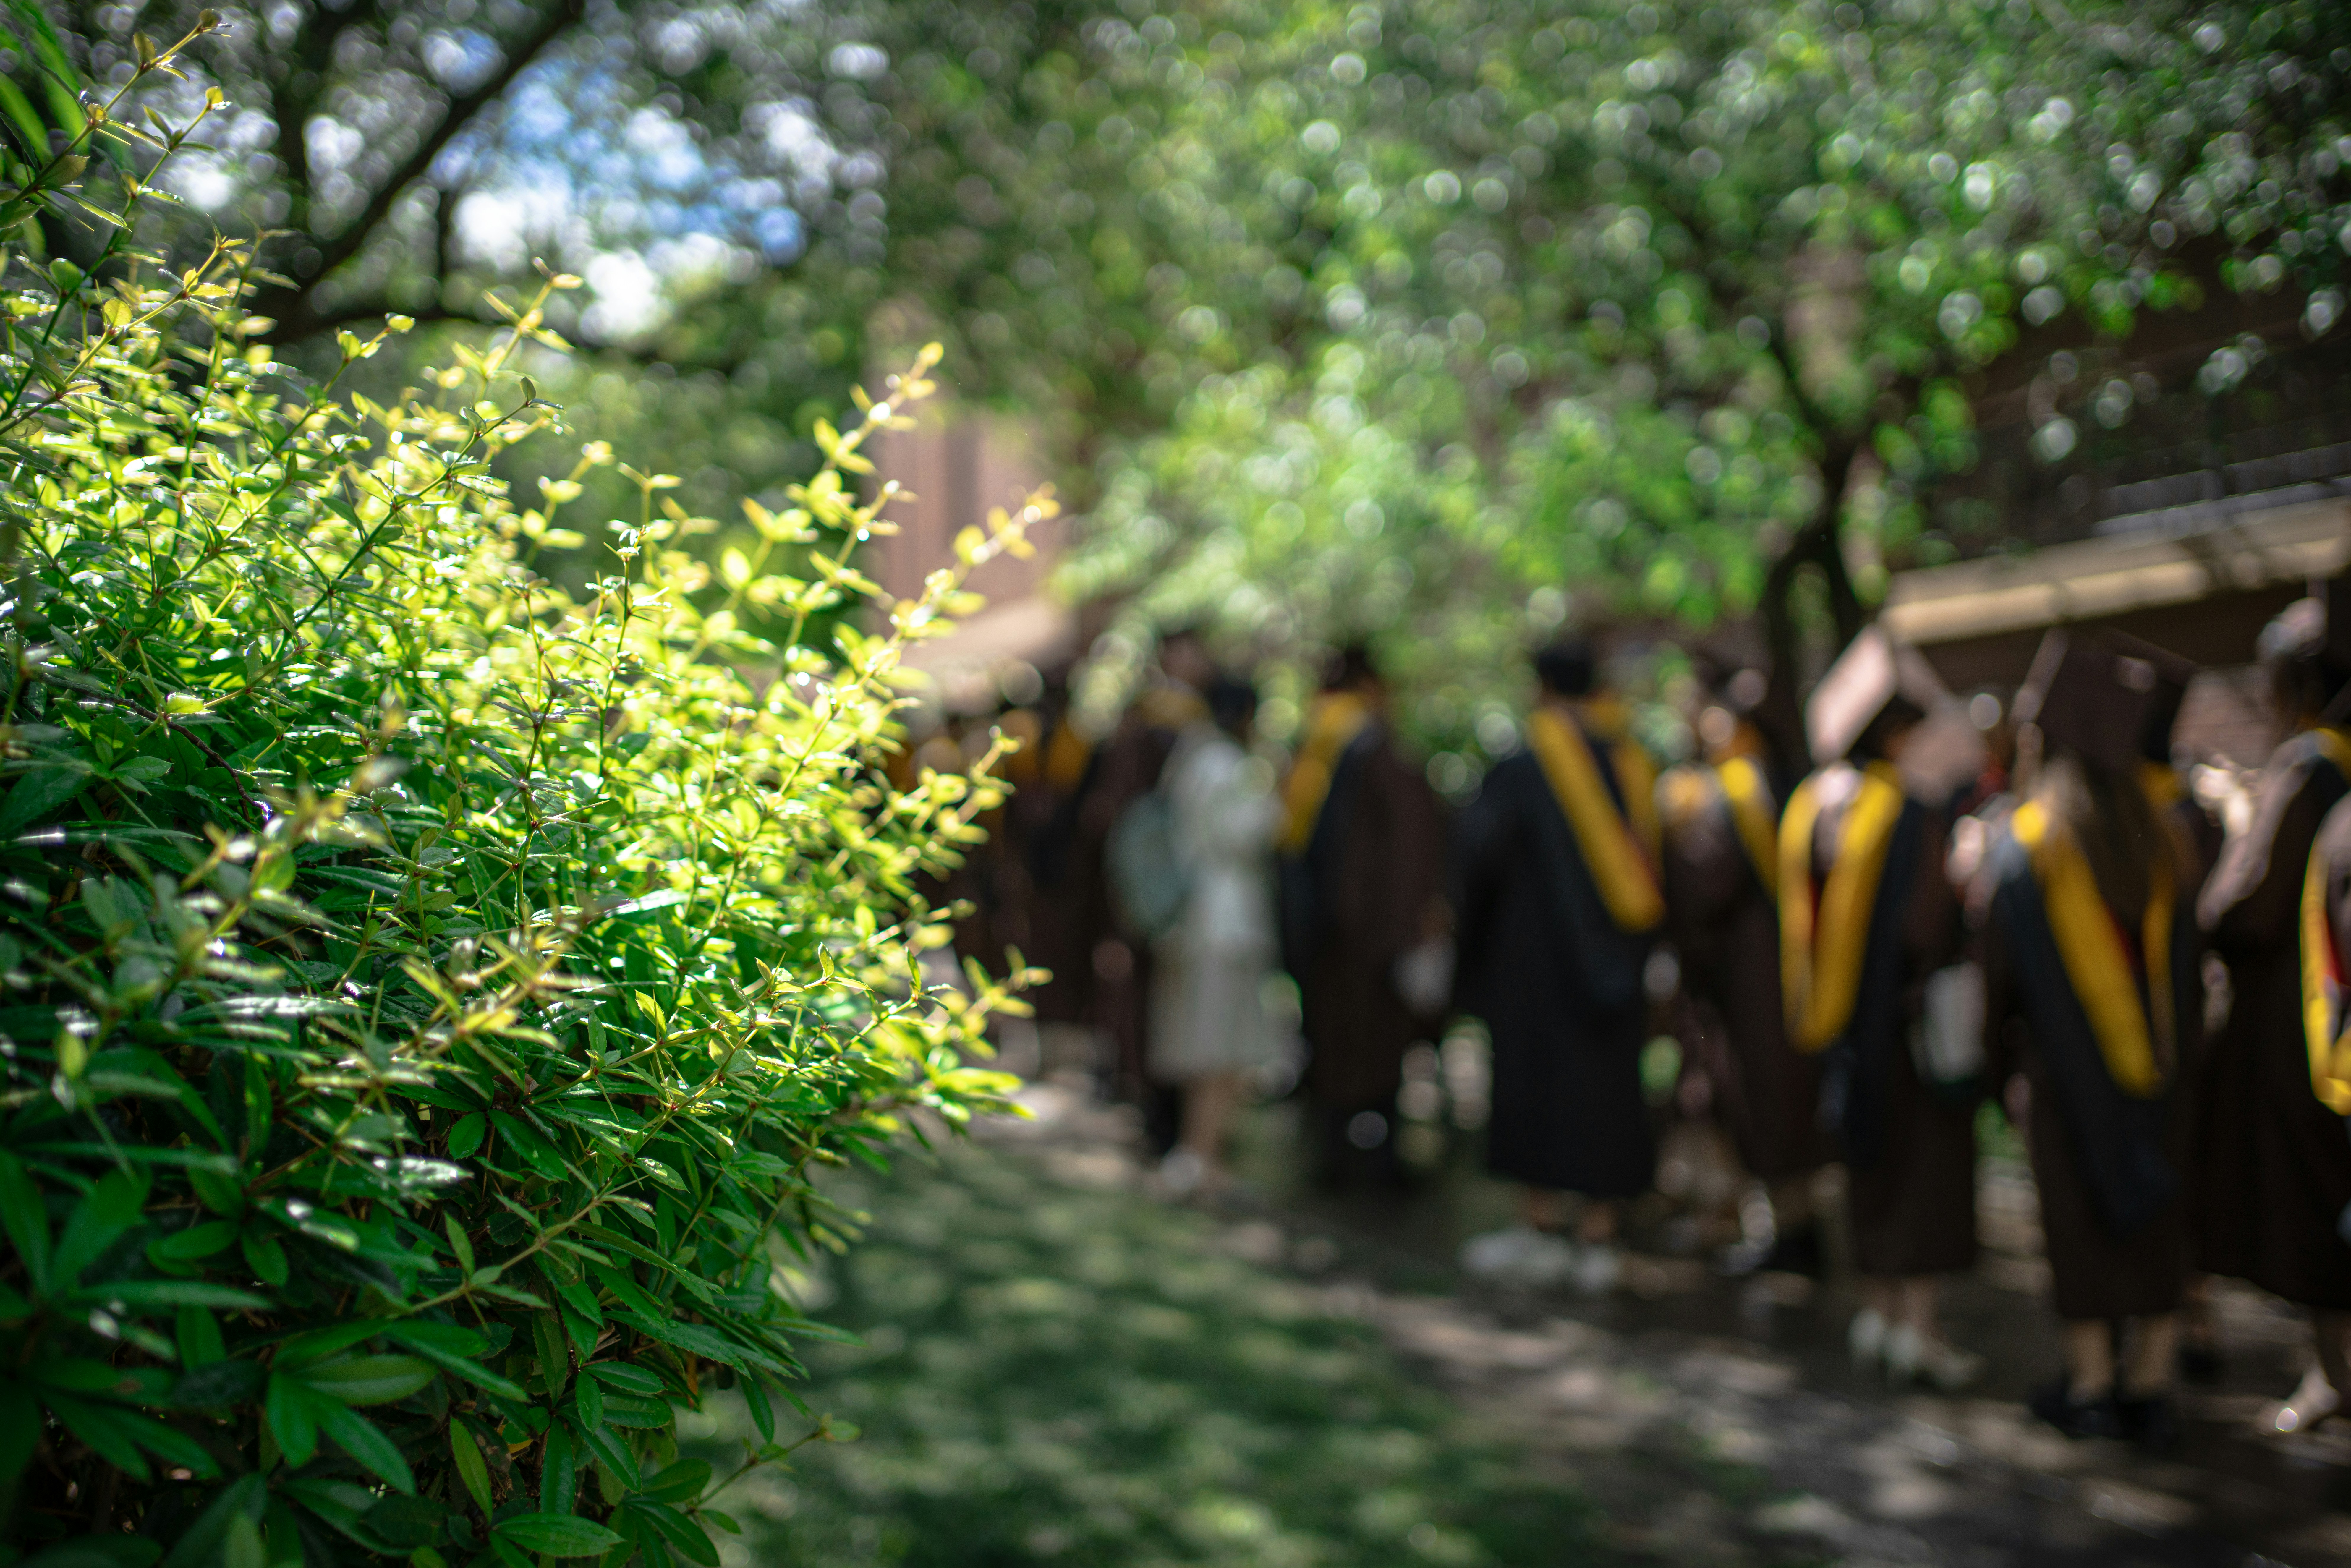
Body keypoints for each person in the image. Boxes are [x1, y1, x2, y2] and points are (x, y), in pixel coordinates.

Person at [1979, 633, 2203, 1448]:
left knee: (2077, 1225)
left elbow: (1995, 979)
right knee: (2158, 1224)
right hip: (2166, 1070)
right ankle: (2152, 1385)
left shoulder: (2026, 847)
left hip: (2063, 1079)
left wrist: (1996, 1070)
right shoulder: (2171, 837)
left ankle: (2092, 1384)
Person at [1781, 627, 1981, 1389]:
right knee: (1918, 1170)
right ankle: (1918, 1328)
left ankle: (1875, 1311)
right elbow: (1924, 930)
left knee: (1863, 1162)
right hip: (1902, 1028)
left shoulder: (1813, 807)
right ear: (1892, 733)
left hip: (1836, 1026)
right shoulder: (1907, 814)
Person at [1453, 636, 1664, 1294]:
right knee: (1605, 1090)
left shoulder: (1521, 768)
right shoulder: (1631, 765)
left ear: (1541, 688)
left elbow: (1477, 861)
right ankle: (1597, 1236)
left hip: (1535, 965)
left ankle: (1538, 1226)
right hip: (1619, 962)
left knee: (1535, 1086)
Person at [2193, 580, 2351, 1433]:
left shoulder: (2306, 766)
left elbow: (2238, 911)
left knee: (2313, 1201)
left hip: (2300, 1027)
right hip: (2335, 1004)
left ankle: (2331, 1376)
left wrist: (2235, 812)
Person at [1660, 659, 1831, 1276]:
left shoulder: (1728, 793)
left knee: (1766, 1098)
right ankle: (1799, 1226)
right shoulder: (1798, 783)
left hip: (1750, 971)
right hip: (1798, 964)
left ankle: (1787, 1233)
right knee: (1791, 1100)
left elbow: (1704, 888)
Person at [1278, 645, 1447, 1189]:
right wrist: (1407, 926)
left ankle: (1332, 1154)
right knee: (1374, 1051)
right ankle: (1373, 1163)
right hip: (1370, 936)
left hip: (1325, 931)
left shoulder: (1315, 748)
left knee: (1332, 1046)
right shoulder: (1375, 749)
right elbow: (1407, 849)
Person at [1147, 675, 1284, 1199]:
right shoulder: (1230, 765)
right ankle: (1201, 1155)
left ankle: (1199, 1153)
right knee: (1221, 1046)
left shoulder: (1190, 761)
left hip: (1190, 919)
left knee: (1202, 1039)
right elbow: (1250, 835)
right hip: (1228, 923)